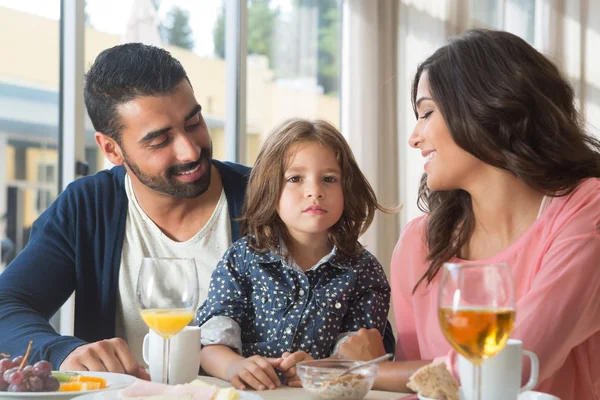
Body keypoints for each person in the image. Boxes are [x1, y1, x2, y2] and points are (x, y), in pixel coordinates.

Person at [336, 29, 600, 400]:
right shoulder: (419, 244)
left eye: (427, 112)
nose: (414, 137)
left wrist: (372, 370)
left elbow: (516, 363)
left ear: (487, 106)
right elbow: (426, 391)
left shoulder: (588, 210)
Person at [0, 43, 250, 379]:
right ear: (111, 149)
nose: (190, 151)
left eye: (193, 122)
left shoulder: (267, 197)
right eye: (160, 141)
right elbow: (6, 306)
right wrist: (65, 351)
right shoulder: (87, 206)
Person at [196, 119, 393, 391]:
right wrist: (233, 366)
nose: (315, 191)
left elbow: (361, 358)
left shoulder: (364, 272)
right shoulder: (239, 260)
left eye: (329, 179)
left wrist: (322, 370)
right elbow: (209, 345)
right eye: (295, 178)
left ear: (347, 189)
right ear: (270, 188)